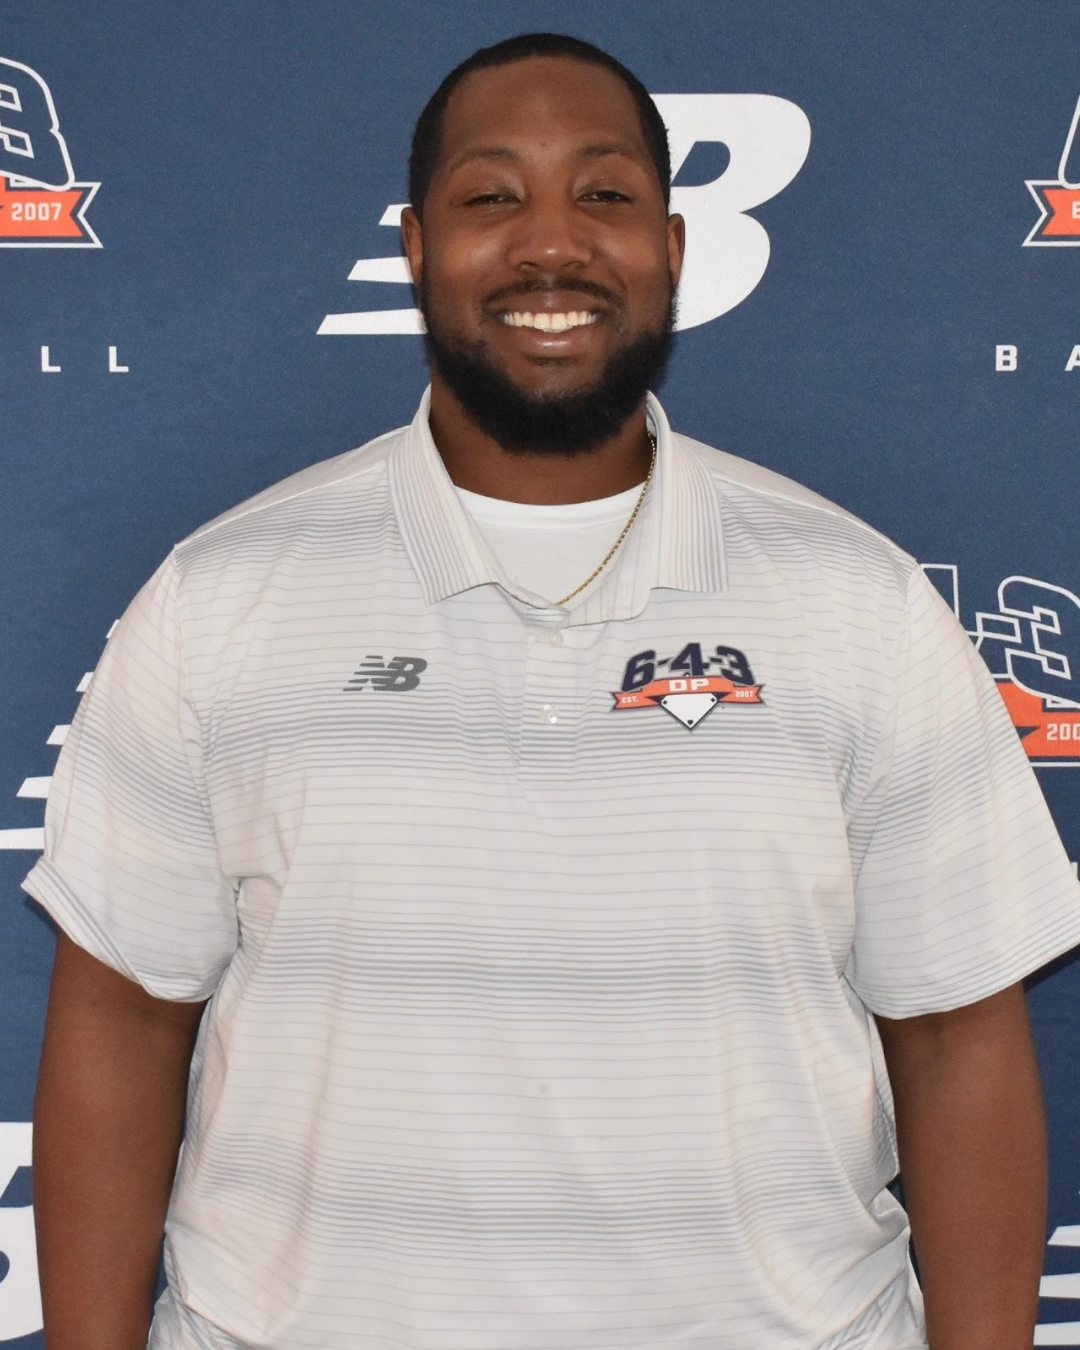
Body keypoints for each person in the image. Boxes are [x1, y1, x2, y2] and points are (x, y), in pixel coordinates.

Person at [25, 31, 1080, 1350]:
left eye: (604, 193)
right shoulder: (221, 598)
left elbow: (956, 1042)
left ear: (673, 249)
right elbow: (124, 1020)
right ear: (416, 248)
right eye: (491, 195)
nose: (550, 244)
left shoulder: (856, 601)